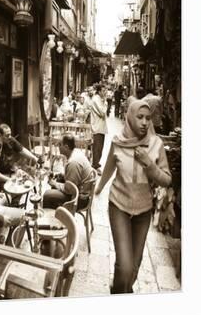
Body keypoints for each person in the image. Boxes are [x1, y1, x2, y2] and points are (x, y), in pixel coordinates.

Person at [94, 100, 172, 294]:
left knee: (134, 268)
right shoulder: (118, 141)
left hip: (144, 211)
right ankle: (121, 300)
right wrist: (98, 189)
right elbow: (110, 167)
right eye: (140, 117)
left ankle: (119, 288)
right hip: (118, 205)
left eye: (148, 118)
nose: (145, 122)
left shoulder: (156, 144)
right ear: (130, 117)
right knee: (125, 265)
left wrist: (150, 165)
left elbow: (167, 180)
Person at [44, 134, 96, 210]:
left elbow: (70, 190)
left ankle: (58, 218)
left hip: (80, 199)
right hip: (80, 190)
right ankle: (59, 213)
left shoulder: (73, 162)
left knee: (47, 196)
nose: (58, 146)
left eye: (60, 144)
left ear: (66, 147)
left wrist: (55, 184)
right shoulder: (76, 152)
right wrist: (62, 176)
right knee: (58, 180)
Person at [89, 84, 108, 174]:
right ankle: (95, 166)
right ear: (99, 91)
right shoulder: (96, 99)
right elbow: (103, 112)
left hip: (100, 126)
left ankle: (96, 164)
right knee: (97, 147)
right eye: (103, 91)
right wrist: (105, 102)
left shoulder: (99, 99)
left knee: (100, 147)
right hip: (97, 127)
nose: (105, 93)